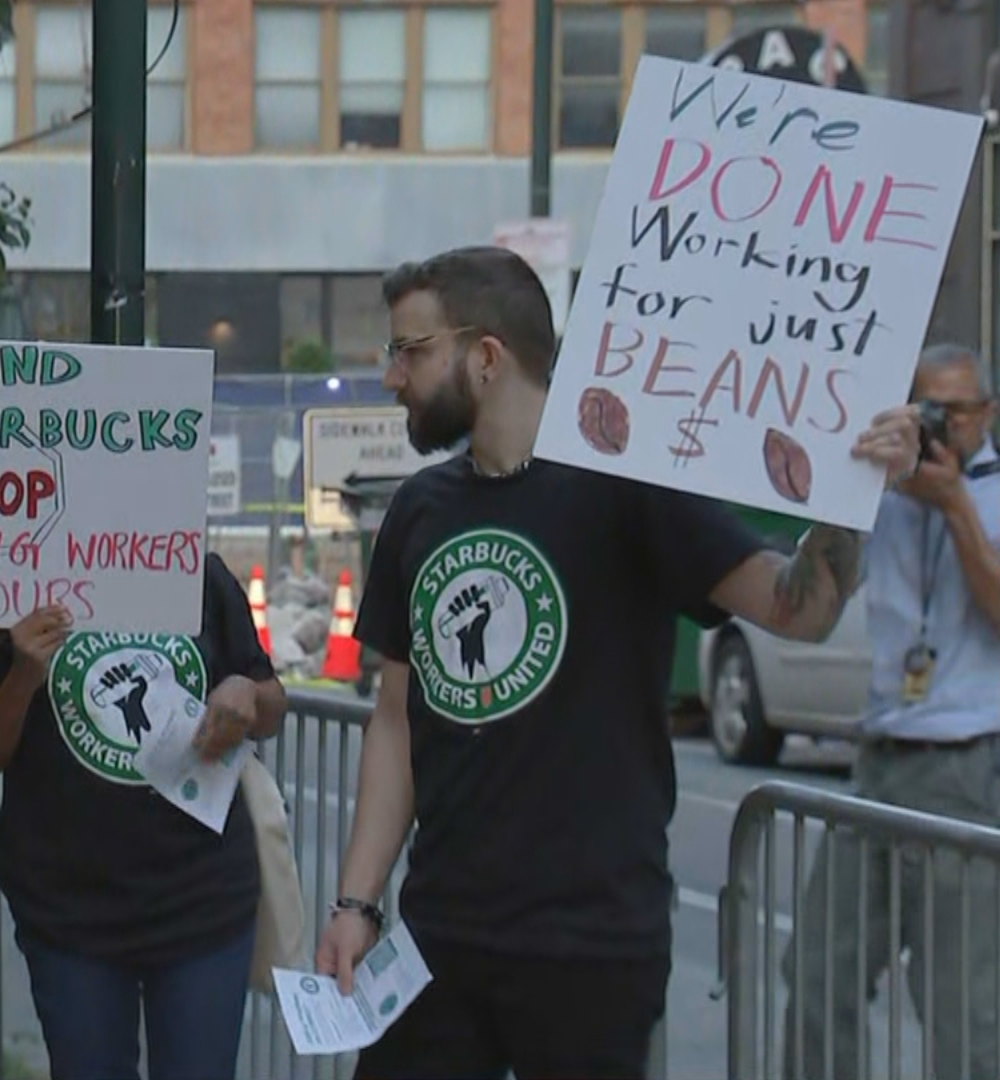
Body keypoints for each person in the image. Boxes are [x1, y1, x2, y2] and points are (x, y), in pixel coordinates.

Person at [310, 246, 921, 1080]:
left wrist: (855, 496)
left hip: (589, 945)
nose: (391, 376)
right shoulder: (420, 510)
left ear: (486, 357)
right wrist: (356, 901)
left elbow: (800, 609)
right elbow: (393, 723)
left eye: (409, 350)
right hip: (439, 938)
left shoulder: (627, 488)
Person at [0, 565, 289, 1078]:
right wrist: (23, 674)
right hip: (68, 910)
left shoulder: (194, 569)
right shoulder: (1, 580)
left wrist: (247, 694)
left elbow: (272, 700)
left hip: (202, 895)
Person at [782, 342, 1000, 1080]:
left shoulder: (990, 492)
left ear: (988, 414)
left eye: (956, 413)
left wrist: (955, 503)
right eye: (926, 410)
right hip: (877, 759)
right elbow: (811, 599)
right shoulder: (882, 494)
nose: (942, 428)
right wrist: (841, 493)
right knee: (815, 971)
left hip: (966, 765)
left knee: (958, 1001)